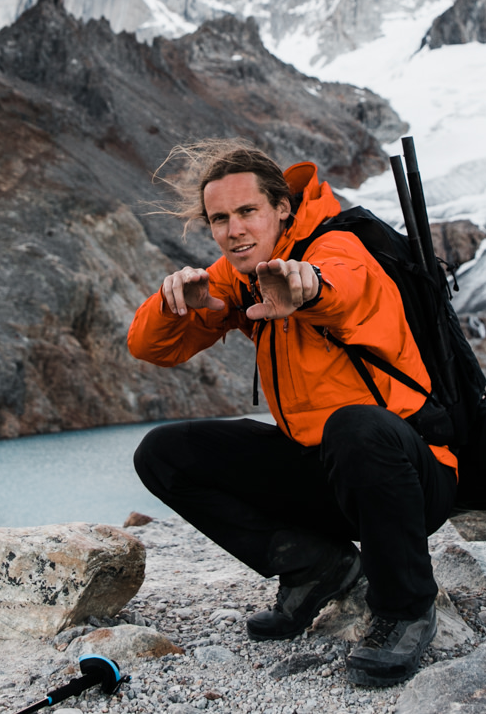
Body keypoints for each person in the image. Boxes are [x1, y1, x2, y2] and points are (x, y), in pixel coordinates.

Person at [127, 142, 455, 688]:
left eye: (247, 212)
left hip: (409, 480)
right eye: (220, 219)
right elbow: (150, 348)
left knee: (355, 425)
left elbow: (347, 289)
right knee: (164, 453)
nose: (234, 230)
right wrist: (173, 302)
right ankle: (315, 567)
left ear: (282, 207)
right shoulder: (240, 273)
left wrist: (308, 287)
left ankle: (404, 609)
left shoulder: (340, 248)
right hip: (330, 477)